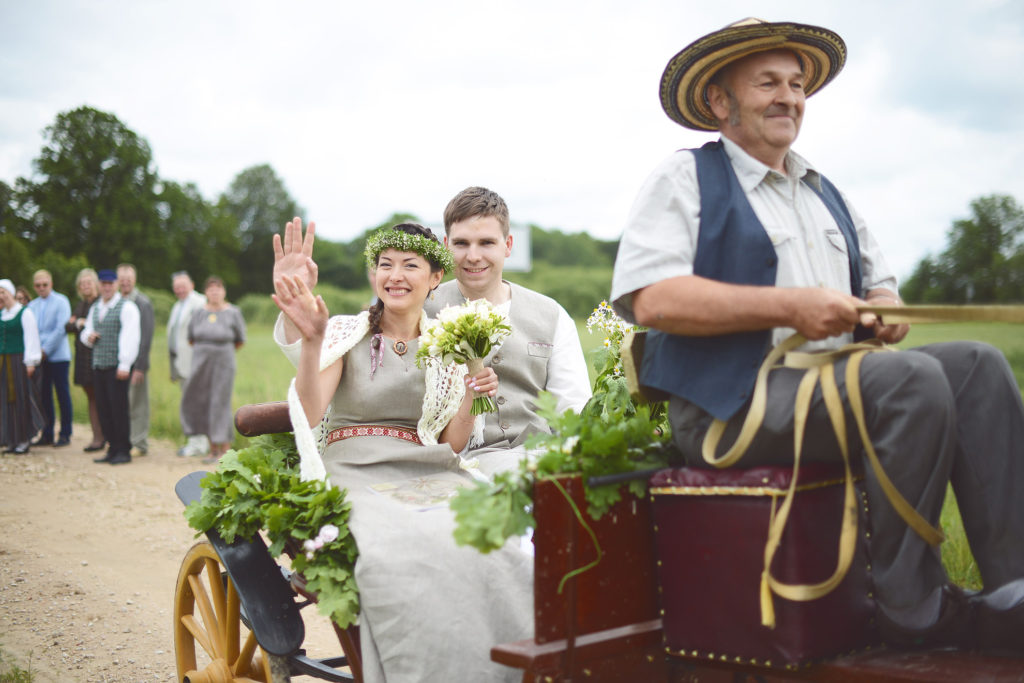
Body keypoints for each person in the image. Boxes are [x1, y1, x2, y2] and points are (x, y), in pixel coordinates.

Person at [610, 18, 1024, 654]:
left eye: (797, 84)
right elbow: (653, 300)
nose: (789, 97)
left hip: (836, 390)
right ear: (721, 103)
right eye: (767, 83)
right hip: (732, 409)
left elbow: (883, 292)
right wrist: (792, 307)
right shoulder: (683, 178)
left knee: (980, 364)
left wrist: (884, 313)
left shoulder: (825, 191)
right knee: (908, 380)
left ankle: (1013, 593)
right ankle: (911, 610)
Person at [274, 223, 532, 683]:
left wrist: (475, 393)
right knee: (402, 549)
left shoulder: (445, 344)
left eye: (410, 265)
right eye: (385, 264)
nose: (395, 275)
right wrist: (313, 343)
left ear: (435, 278)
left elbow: (452, 443)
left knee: (498, 541)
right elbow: (310, 411)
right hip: (356, 465)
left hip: (427, 465)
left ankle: (504, 667)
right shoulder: (347, 332)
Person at [180, 276, 245, 465]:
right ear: (206, 293)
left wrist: (220, 351)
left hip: (224, 363)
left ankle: (225, 449)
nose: (214, 292)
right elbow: (191, 338)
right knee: (204, 402)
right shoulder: (199, 313)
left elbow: (240, 340)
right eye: (210, 289)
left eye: (218, 288)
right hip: (201, 363)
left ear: (224, 291)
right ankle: (212, 449)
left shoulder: (233, 312)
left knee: (220, 402)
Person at [82, 269, 140, 466]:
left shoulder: (126, 307)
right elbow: (87, 330)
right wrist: (88, 337)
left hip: (117, 366)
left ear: (115, 285)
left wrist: (125, 363)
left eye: (110, 284)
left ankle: (123, 449)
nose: (106, 287)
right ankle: (112, 448)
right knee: (103, 408)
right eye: (103, 284)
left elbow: (131, 337)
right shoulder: (96, 307)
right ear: (100, 285)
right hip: (98, 364)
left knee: (118, 409)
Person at [27, 270, 73, 447]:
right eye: (38, 285)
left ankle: (65, 433)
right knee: (44, 396)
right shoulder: (33, 306)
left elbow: (61, 329)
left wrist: (45, 349)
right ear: (34, 286)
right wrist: (36, 351)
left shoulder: (61, 301)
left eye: (44, 285)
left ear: (51, 284)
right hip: (40, 357)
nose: (41, 288)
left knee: (62, 394)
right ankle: (47, 433)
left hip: (58, 356)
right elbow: (32, 331)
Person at [166, 271, 209, 457]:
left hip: (195, 363)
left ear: (191, 284)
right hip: (180, 364)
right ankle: (194, 441)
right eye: (176, 287)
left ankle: (201, 444)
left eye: (183, 286)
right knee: (189, 404)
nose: (179, 289)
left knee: (197, 404)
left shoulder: (200, 303)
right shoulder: (177, 306)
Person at [0, 279, 43, 454]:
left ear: (11, 293)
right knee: (5, 400)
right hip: (3, 362)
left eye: (3, 292)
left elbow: (31, 338)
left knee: (21, 399)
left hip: (19, 361)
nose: (1, 296)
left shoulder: (24, 313)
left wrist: (31, 361)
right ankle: (10, 438)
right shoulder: (2, 314)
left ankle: (24, 439)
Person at [116, 263, 153, 457]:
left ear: (134, 280)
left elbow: (146, 338)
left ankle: (139, 443)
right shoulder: (115, 302)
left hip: (137, 364)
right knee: (122, 404)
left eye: (128, 280)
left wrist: (139, 366)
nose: (125, 283)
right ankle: (123, 441)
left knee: (138, 404)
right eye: (121, 280)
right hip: (118, 364)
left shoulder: (142, 302)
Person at [66, 268, 105, 452]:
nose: (85, 286)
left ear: (95, 284)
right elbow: (69, 325)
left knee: (101, 397)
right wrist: (78, 323)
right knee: (91, 396)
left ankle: (104, 436)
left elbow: (83, 325)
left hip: (97, 356)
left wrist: (78, 323)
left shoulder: (100, 303)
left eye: (88, 282)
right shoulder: (80, 304)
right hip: (82, 357)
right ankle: (96, 435)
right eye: (82, 283)